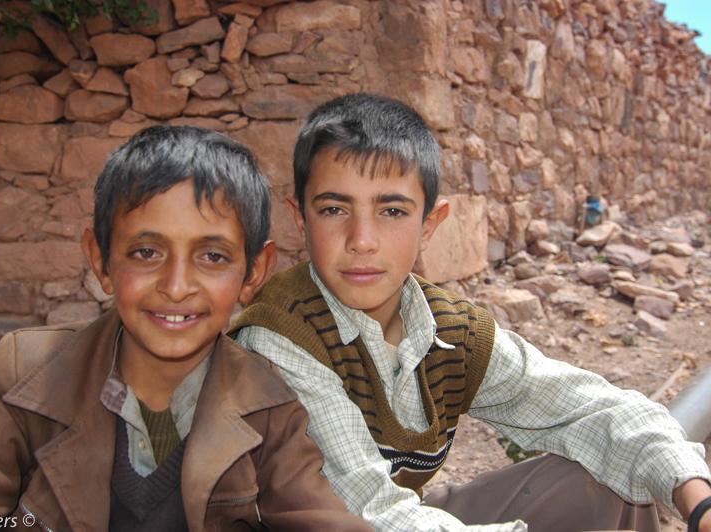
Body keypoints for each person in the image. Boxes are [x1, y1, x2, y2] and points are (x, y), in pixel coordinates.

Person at [231, 93, 711, 531]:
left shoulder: (448, 330)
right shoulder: (281, 337)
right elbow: (369, 512)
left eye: (392, 211)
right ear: (299, 217)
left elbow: (592, 407)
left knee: (604, 478)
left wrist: (697, 497)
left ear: (430, 223)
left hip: (404, 517)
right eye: (335, 209)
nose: (361, 240)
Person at [0, 126, 371, 532]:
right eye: (146, 253)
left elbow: (319, 518)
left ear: (253, 273)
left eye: (213, 256)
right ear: (102, 261)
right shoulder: (26, 377)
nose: (175, 287)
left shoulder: (270, 404)